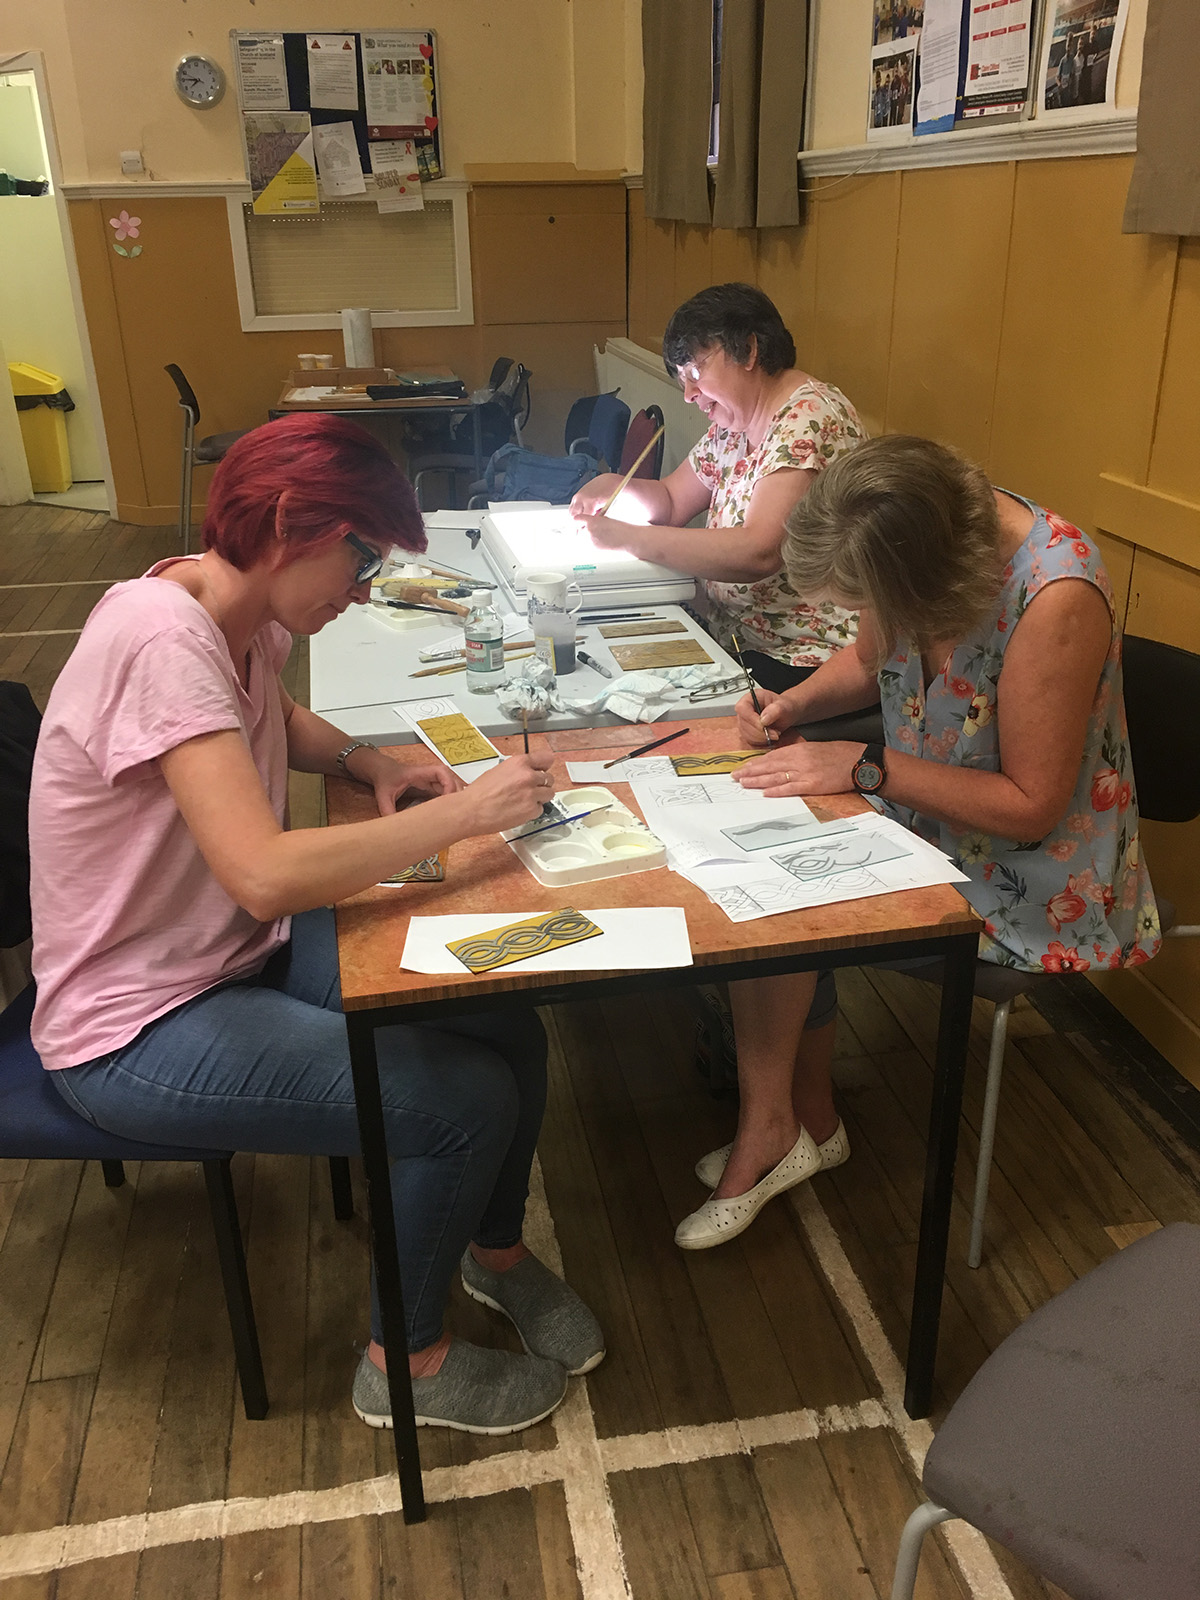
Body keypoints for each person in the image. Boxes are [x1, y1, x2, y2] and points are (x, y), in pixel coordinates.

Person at [28, 413, 604, 1434]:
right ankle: (406, 1363)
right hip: (134, 1023)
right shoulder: (158, 635)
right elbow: (260, 872)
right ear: (293, 520)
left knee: (504, 1016)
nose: (365, 585)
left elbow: (271, 718)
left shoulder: (229, 611)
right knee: (458, 1100)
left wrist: (367, 764)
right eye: (361, 556)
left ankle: (493, 1253)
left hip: (223, 957)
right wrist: (464, 810)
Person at [673, 434, 1160, 1250]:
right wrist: (793, 705)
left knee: (786, 912)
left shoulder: (1055, 595)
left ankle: (783, 1131)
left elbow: (1032, 807)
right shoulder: (922, 533)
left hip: (1032, 877)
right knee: (764, 881)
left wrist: (865, 768)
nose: (861, 617)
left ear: (918, 582)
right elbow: (873, 655)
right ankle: (797, 1125)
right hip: (926, 818)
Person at [570, 283, 867, 694]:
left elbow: (759, 551)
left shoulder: (809, 420)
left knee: (639, 692)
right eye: (681, 380)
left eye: (695, 373)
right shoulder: (734, 426)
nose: (690, 395)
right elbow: (673, 500)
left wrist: (629, 538)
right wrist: (615, 487)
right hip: (738, 638)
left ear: (748, 350)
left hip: (803, 656)